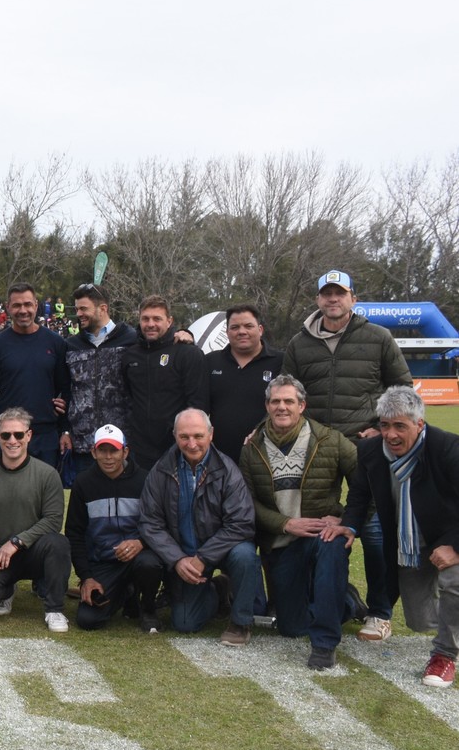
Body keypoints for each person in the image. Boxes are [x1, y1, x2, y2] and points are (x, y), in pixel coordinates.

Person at [281, 269, 413, 644]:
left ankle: (380, 612)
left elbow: (402, 389)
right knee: (313, 525)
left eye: (340, 293)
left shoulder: (378, 337)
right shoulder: (299, 343)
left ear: (353, 298)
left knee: (371, 532)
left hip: (364, 448)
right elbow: (285, 393)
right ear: (318, 299)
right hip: (315, 450)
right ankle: (315, 601)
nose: (333, 299)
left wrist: (381, 426)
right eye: (326, 294)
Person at [237, 375, 360, 668]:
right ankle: (348, 602)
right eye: (276, 401)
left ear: (302, 405)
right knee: (292, 626)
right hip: (282, 543)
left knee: (333, 544)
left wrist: (346, 518)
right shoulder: (251, 448)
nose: (282, 407)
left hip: (321, 536)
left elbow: (366, 485)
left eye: (289, 401)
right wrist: (285, 523)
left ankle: (324, 644)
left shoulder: (331, 440)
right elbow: (246, 503)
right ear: (267, 406)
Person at [342, 387, 459, 688]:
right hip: (410, 544)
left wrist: (454, 546)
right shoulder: (370, 451)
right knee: (420, 620)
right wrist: (349, 526)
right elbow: (359, 494)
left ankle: (444, 656)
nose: (391, 434)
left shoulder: (447, 448)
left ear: (419, 424)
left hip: (450, 535)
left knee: (453, 583)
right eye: (384, 425)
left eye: (400, 426)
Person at [138, 409, 263, 645]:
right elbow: (149, 522)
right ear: (175, 435)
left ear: (211, 434)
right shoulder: (160, 470)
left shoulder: (228, 471)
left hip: (221, 552)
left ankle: (240, 623)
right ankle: (217, 590)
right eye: (184, 436)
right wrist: (177, 560)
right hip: (184, 555)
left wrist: (204, 557)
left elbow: (241, 524)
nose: (192, 443)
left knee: (245, 554)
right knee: (185, 624)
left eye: (198, 436)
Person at [0, 408, 72, 632]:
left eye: (18, 435)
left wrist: (16, 542)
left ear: (29, 436)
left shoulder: (47, 474)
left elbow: (53, 520)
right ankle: (6, 591)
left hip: (35, 551)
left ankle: (54, 609)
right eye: (6, 435)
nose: (12, 440)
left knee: (58, 543)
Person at [0, 284, 71, 468]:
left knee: (45, 494)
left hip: (45, 437)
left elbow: (67, 388)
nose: (23, 310)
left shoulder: (56, 343)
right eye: (17, 305)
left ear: (36, 305)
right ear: (8, 307)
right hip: (8, 437)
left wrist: (66, 430)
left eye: (28, 304)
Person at [64, 424, 159, 632]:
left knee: (150, 564)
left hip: (139, 555)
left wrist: (141, 542)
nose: (108, 457)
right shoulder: (83, 482)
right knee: (88, 620)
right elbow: (74, 532)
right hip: (104, 562)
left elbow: (160, 523)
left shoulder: (145, 480)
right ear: (93, 452)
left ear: (125, 451)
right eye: (102, 450)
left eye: (114, 450)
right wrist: (86, 577)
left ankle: (148, 608)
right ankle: (126, 593)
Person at [122, 295, 208, 468]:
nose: (150, 324)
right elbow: (128, 397)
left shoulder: (187, 354)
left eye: (157, 319)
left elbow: (198, 403)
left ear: (169, 321)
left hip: (177, 449)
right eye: (145, 319)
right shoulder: (130, 356)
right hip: (139, 451)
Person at [64, 284, 138, 476]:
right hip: (84, 444)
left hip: (121, 442)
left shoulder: (131, 339)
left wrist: (183, 334)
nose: (79, 313)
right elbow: (65, 389)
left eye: (83, 309)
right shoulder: (70, 345)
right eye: (77, 309)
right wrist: (64, 430)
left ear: (103, 308)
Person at [207, 304, 284, 463]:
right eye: (235, 327)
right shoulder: (210, 361)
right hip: (219, 460)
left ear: (260, 329)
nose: (242, 331)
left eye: (248, 326)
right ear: (227, 332)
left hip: (266, 457)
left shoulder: (280, 361)